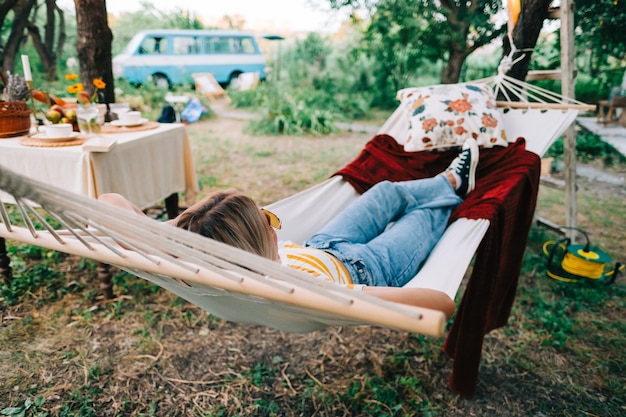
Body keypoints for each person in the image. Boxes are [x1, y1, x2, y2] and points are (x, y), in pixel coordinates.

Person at [99, 140, 479, 319]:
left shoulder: (200, 261)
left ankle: (447, 182)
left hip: (325, 245)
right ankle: (452, 189)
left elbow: (109, 202)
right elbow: (442, 303)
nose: (274, 221)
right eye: (268, 220)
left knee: (384, 192)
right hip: (369, 268)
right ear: (254, 244)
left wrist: (173, 240)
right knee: (423, 217)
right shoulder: (305, 292)